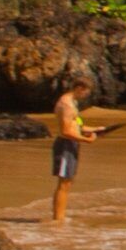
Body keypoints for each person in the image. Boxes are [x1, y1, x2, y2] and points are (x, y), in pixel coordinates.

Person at [48, 87, 112, 224]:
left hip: (72, 144)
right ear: (79, 88)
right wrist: (86, 140)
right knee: (64, 183)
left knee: (68, 182)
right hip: (65, 145)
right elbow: (65, 131)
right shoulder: (66, 105)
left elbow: (77, 126)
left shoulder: (73, 103)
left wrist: (96, 129)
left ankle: (60, 217)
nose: (86, 96)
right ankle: (58, 219)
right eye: (86, 92)